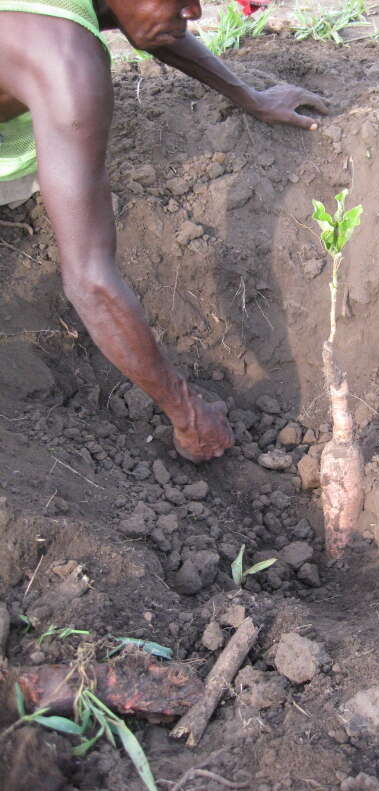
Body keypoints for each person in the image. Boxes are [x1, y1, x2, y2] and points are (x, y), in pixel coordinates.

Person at [0, 0, 327, 461]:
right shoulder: (64, 61)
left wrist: (249, 96)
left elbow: (148, 24)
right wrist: (187, 412)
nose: (193, 13)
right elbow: (89, 282)